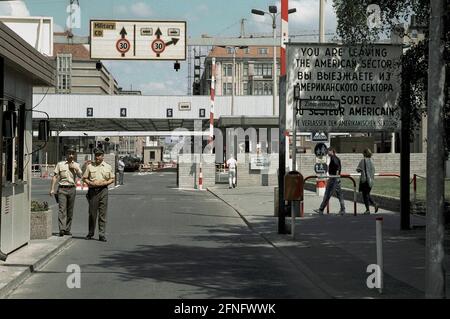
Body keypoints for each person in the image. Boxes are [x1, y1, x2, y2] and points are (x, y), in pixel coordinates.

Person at [82, 148, 115, 242]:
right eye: (96, 155)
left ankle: (102, 234)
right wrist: (90, 183)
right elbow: (84, 178)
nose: (97, 157)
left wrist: (105, 183)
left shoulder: (107, 166)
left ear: (103, 156)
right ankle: (91, 232)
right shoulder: (90, 166)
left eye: (99, 155)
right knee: (92, 214)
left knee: (102, 214)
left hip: (103, 190)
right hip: (93, 191)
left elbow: (112, 178)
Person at [49, 148, 83, 236]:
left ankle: (68, 229)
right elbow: (55, 177)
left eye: (72, 154)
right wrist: (52, 189)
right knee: (62, 209)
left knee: (70, 210)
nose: (71, 155)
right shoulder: (60, 164)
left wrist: (76, 169)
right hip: (62, 189)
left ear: (74, 155)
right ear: (66, 154)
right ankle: (62, 229)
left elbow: (80, 176)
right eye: (69, 153)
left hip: (72, 189)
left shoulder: (76, 165)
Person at [314, 147, 346, 215]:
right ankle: (343, 209)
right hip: (335, 178)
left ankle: (321, 209)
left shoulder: (334, 158)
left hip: (333, 178)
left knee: (327, 194)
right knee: (339, 195)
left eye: (328, 151)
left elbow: (337, 168)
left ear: (332, 151)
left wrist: (336, 177)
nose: (327, 153)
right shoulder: (334, 158)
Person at [357, 148, 379, 214]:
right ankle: (372, 206)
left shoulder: (363, 161)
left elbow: (358, 169)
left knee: (365, 195)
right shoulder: (372, 161)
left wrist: (360, 170)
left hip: (364, 180)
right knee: (367, 194)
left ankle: (370, 208)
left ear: (364, 153)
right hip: (371, 180)